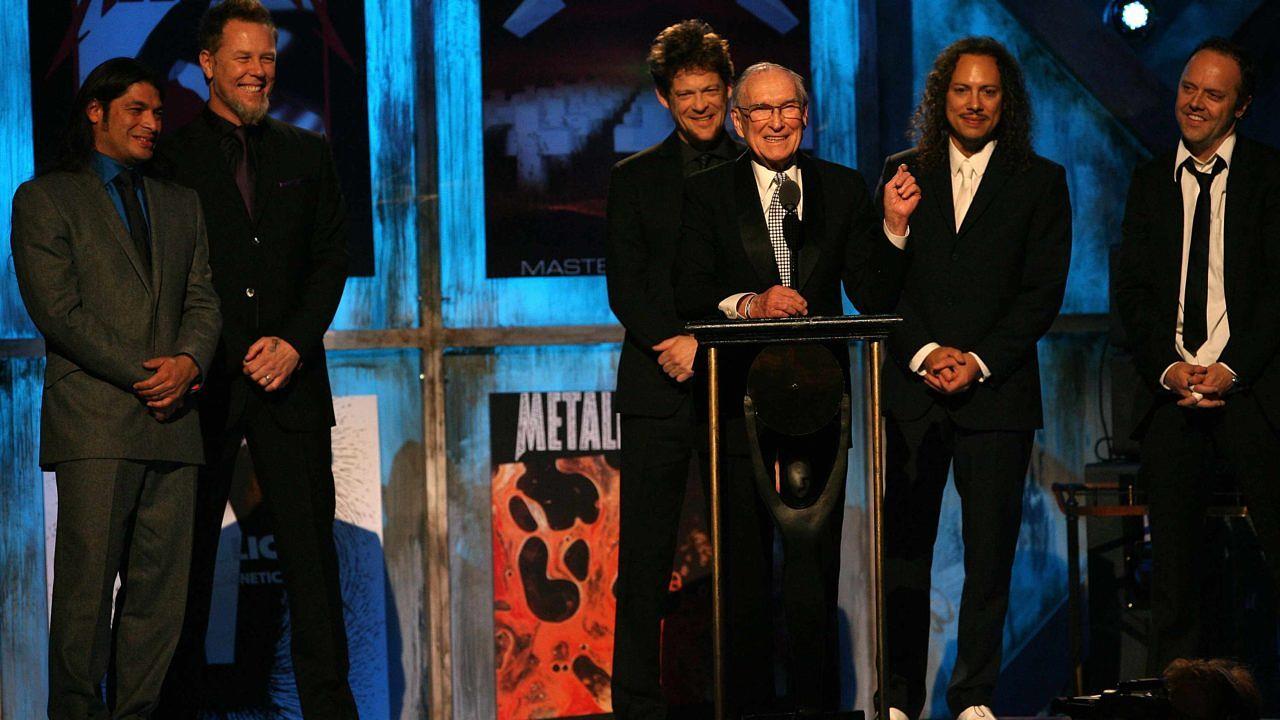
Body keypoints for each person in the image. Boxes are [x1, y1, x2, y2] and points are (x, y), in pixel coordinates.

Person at [856, 36, 1072, 720]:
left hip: (996, 392)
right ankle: (897, 699)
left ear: (1006, 102)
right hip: (914, 391)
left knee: (989, 555)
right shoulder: (900, 173)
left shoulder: (1040, 181)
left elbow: (1040, 294)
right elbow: (876, 289)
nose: (974, 103)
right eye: (962, 89)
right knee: (904, 555)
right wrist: (924, 353)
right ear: (939, 96)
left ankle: (975, 695)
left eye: (988, 91)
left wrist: (975, 359)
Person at [152, 1, 355, 717]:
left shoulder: (308, 151)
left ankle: (330, 708)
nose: (258, 71)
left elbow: (333, 258)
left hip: (291, 383)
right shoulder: (169, 159)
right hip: (202, 387)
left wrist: (295, 343)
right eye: (243, 57)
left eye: (267, 58)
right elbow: (165, 277)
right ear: (207, 63)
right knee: (184, 565)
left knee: (312, 564)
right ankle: (176, 707)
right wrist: (222, 351)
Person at [10, 57, 221, 719]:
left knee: (159, 605)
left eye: (159, 111)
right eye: (137, 109)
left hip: (174, 426)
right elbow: (58, 312)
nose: (153, 123)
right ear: (95, 111)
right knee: (84, 595)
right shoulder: (45, 198)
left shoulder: (180, 202)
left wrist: (188, 363)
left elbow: (204, 302)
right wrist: (149, 374)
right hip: (96, 425)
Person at [673, 61, 884, 715]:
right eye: (760, 111)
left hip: (820, 404)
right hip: (736, 404)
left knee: (812, 571)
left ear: (806, 114)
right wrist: (749, 305)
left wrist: (897, 227)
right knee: (741, 571)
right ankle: (748, 706)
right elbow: (687, 289)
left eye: (786, 107)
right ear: (738, 122)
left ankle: (817, 704)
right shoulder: (708, 195)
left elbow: (874, 291)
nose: (774, 121)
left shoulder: (843, 190)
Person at [1113, 37, 1280, 674]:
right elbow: (1132, 289)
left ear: (1239, 108)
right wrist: (1170, 368)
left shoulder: (1269, 176)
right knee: (1174, 575)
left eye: (1213, 94)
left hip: (1252, 389)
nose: (1195, 103)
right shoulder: (1150, 179)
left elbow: (1274, 292)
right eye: (1188, 87)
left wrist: (1231, 369)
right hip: (1173, 394)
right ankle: (1177, 703)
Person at [605, 19, 741, 720]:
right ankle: (635, 702)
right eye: (685, 93)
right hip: (659, 386)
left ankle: (746, 695)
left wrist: (709, 345)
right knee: (646, 559)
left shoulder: (759, 170)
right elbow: (625, 286)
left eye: (710, 90)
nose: (699, 104)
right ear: (663, 97)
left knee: (746, 555)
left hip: (739, 388)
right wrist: (674, 342)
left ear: (728, 89)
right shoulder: (634, 180)